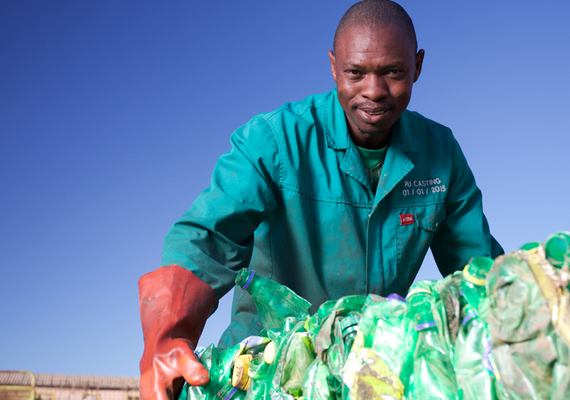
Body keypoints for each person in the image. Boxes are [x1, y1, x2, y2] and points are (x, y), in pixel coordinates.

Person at [138, 1, 503, 399]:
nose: (374, 91)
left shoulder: (441, 155)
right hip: (266, 376)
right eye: (355, 73)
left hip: (365, 377)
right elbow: (206, 239)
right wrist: (168, 335)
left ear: (417, 66)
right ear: (333, 67)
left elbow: (479, 276)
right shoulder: (274, 141)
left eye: (393, 73)